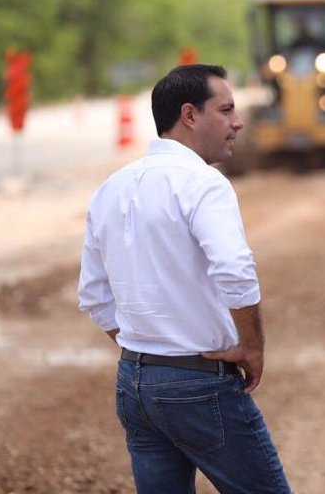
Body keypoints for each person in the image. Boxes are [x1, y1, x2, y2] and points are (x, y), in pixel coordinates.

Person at [77, 64, 293, 493]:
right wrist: (251, 346)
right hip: (199, 383)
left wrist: (149, 346)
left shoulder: (112, 188)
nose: (238, 122)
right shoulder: (204, 184)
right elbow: (234, 270)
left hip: (135, 383)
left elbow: (94, 296)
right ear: (190, 115)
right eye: (226, 110)